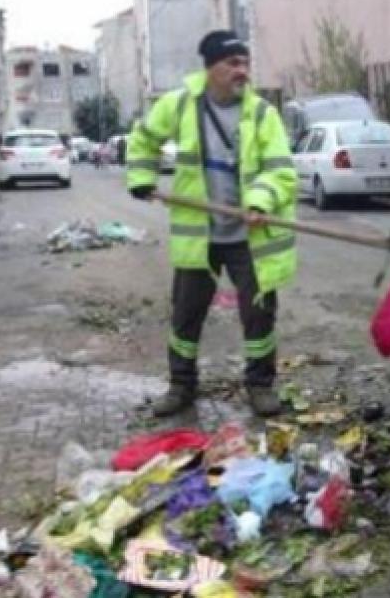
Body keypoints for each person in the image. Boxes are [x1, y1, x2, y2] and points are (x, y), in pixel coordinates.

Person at [127, 30, 297, 418]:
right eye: (232, 63)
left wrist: (259, 200)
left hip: (248, 236)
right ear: (210, 68)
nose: (242, 71)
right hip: (200, 236)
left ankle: (260, 386)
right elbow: (144, 138)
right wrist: (141, 178)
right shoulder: (181, 105)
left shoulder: (261, 114)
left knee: (259, 315)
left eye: (245, 63)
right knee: (186, 314)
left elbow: (281, 171)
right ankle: (181, 386)